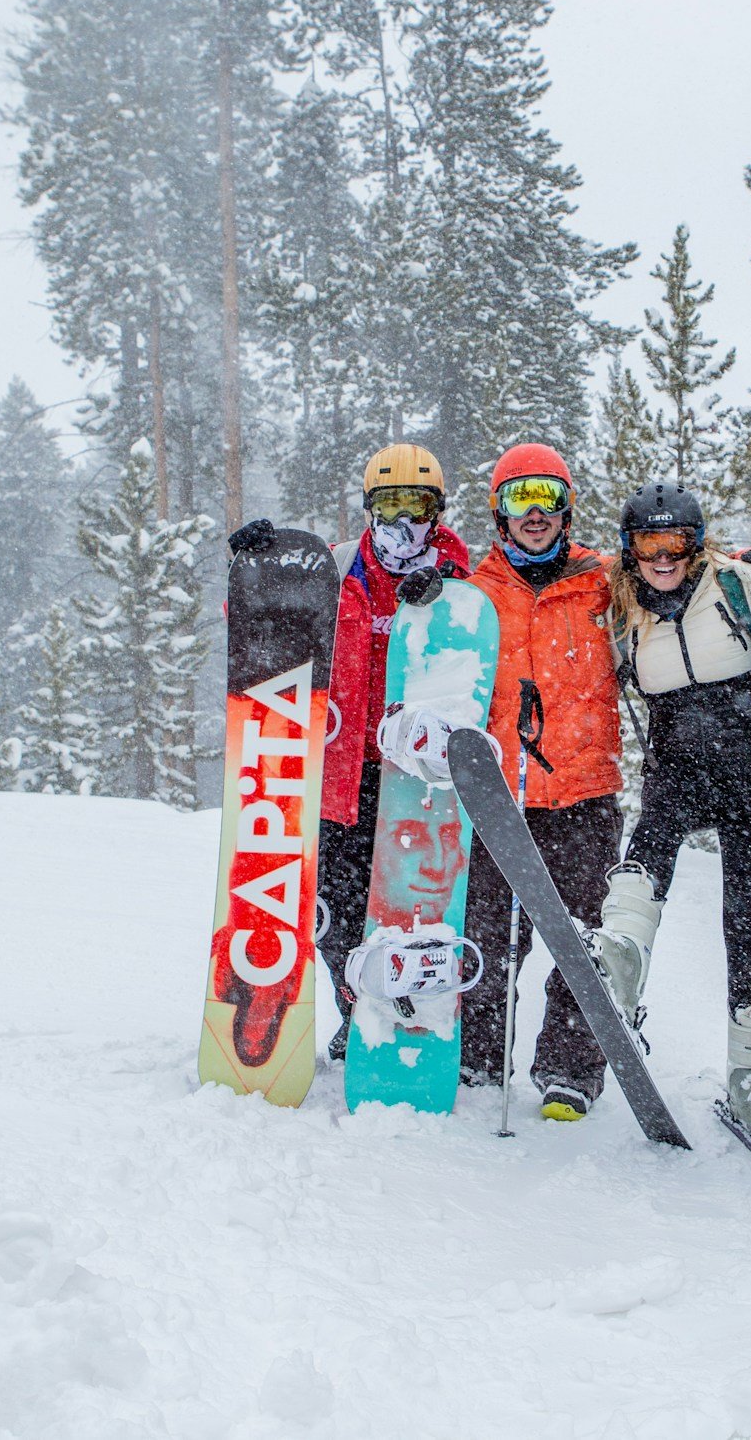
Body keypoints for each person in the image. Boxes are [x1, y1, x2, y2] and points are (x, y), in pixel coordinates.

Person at [229, 443, 474, 1062]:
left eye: (415, 506)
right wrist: (259, 569)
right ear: (368, 509)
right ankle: (357, 1009)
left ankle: (413, 1016)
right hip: (342, 772)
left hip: (416, 779)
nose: (402, 525)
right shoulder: (337, 570)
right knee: (334, 908)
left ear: (438, 512)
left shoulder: (465, 583)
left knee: (405, 907)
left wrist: (447, 595)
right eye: (388, 506)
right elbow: (261, 628)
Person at [590, 481, 751, 1142]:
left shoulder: (738, 586)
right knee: (648, 843)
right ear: (630, 548)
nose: (662, 557)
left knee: (749, 915)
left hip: (748, 769)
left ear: (695, 544)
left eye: (675, 541)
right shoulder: (620, 610)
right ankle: (621, 949)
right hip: (677, 763)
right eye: (649, 542)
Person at [453, 442, 626, 1121]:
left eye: (547, 496)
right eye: (520, 496)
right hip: (502, 799)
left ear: (566, 506)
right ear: (499, 508)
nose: (535, 511)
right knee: (490, 935)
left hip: (584, 794)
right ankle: (479, 1052)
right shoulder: (472, 593)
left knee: (582, 939)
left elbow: (677, 576)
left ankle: (570, 1067)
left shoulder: (603, 581)